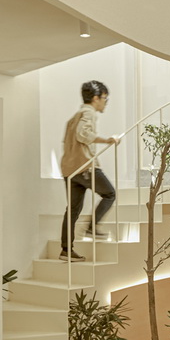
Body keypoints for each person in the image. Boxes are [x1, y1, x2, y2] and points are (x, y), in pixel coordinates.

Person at [59, 80, 118, 262]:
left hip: (69, 169)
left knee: (73, 210)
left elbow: (69, 140)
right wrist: (106, 140)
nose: (105, 103)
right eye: (105, 98)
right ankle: (92, 227)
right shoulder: (88, 112)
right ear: (95, 98)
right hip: (84, 166)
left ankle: (66, 250)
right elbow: (82, 134)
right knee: (110, 193)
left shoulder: (74, 117)